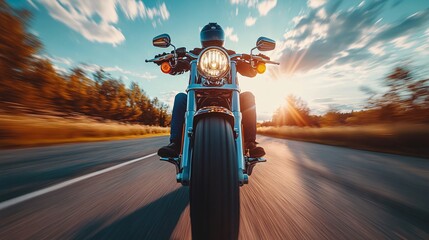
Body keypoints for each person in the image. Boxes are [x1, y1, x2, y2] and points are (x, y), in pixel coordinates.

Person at [157, 22, 265, 158]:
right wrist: (171, 62)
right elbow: (179, 67)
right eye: (209, 35)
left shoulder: (231, 55)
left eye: (215, 35)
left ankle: (250, 143)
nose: (212, 37)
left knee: (248, 97)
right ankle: (175, 144)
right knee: (180, 98)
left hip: (229, 98)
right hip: (198, 98)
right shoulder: (194, 54)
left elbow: (250, 71)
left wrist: (254, 63)